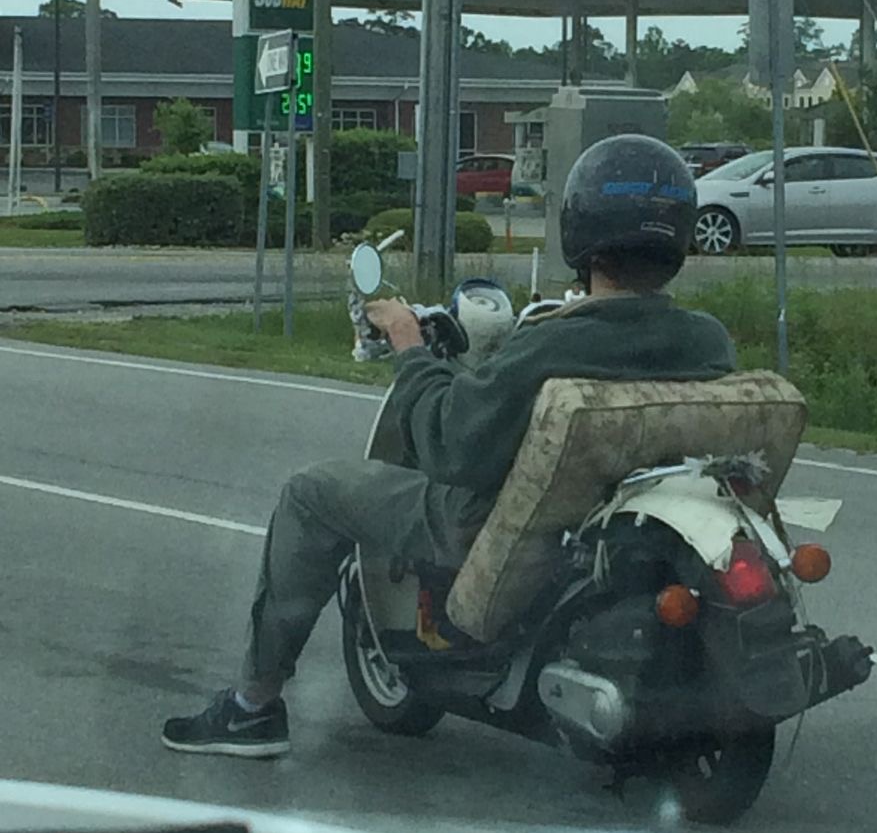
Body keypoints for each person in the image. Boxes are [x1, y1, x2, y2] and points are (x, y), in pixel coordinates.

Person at [162, 134, 737, 759]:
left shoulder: (553, 348)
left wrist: (410, 345)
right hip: (617, 521)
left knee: (311, 493)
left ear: (581, 229)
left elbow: (450, 446)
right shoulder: (707, 340)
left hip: (494, 521)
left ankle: (253, 705)